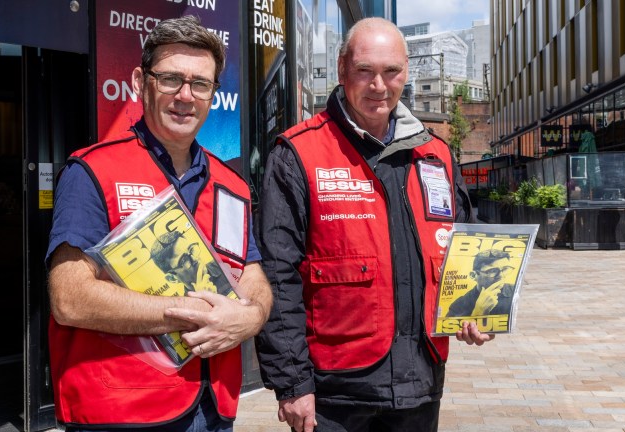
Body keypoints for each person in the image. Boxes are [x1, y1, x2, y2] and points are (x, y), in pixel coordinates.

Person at [255, 17, 493, 432]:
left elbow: (464, 243)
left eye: (391, 71)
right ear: (343, 68)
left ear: (406, 73)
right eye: (365, 71)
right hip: (336, 391)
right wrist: (292, 384)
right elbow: (277, 277)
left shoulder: (435, 155)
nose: (378, 86)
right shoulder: (298, 154)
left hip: (421, 379)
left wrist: (477, 311)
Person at [46, 16, 272, 432]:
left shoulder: (233, 184)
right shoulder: (93, 171)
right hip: (122, 412)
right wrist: (189, 314)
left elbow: (252, 273)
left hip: (212, 408)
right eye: (170, 79)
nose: (185, 96)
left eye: (200, 84)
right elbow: (69, 297)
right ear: (140, 81)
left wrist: (251, 316)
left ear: (212, 95)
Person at [445, 249, 516, 317]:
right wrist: (478, 312)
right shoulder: (458, 305)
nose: (501, 276)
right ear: (473, 275)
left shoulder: (515, 291)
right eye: (492, 271)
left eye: (505, 269)